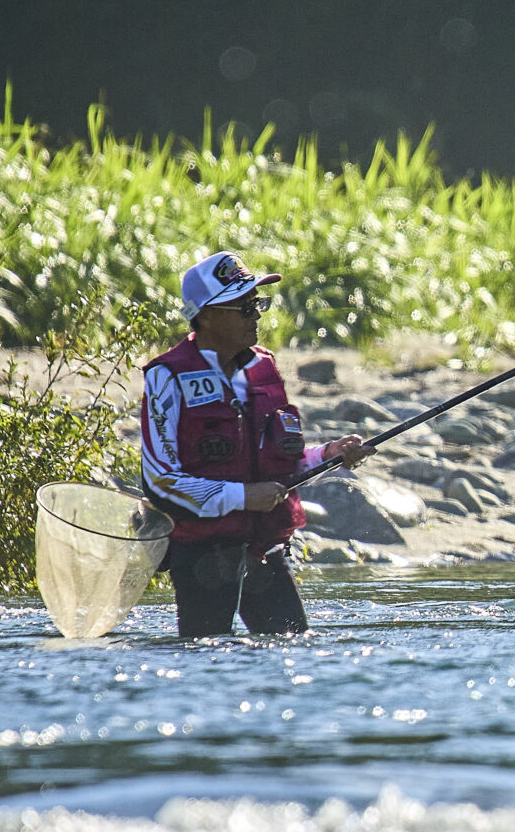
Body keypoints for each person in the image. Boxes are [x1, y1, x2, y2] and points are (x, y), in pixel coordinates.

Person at [139, 252, 368, 636]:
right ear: (205, 316)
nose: (256, 315)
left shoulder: (264, 365)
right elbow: (160, 481)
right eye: (244, 307)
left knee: (291, 645)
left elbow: (280, 463)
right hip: (203, 555)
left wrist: (329, 455)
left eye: (257, 304)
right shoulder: (168, 377)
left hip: (263, 548)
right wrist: (243, 497)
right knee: (204, 655)